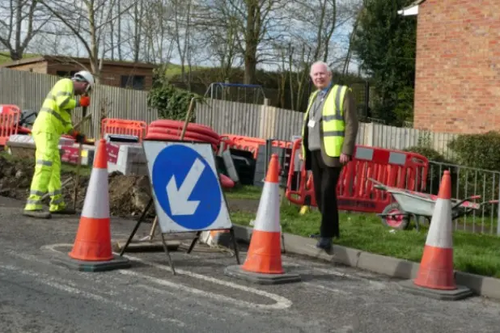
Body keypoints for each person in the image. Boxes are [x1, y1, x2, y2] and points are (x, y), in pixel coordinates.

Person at [301, 61, 359, 253]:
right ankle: (330, 230)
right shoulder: (314, 96)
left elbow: (351, 123)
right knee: (319, 193)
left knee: (326, 191)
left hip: (333, 154)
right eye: (315, 74)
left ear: (330, 75)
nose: (319, 77)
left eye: (322, 74)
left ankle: (326, 236)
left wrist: (347, 150)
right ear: (311, 77)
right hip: (314, 151)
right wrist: (304, 151)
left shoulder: (342, 92)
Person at [23, 70, 94, 219]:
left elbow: (65, 123)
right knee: (45, 164)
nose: (83, 93)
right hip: (45, 130)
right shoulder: (65, 83)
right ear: (83, 83)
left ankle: (57, 203)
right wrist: (80, 103)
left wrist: (76, 135)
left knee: (54, 168)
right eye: (86, 89)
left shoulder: (69, 98)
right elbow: (62, 102)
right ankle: (32, 204)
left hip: (51, 133)